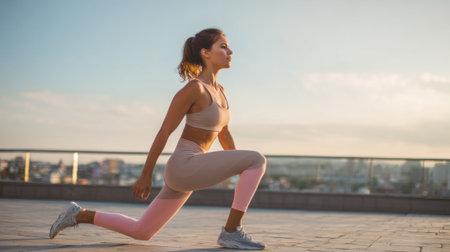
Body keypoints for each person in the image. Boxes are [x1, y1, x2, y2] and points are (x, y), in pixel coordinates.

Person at [49, 28, 267, 250]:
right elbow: (164, 131)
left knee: (142, 231)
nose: (230, 51)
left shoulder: (220, 90)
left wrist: (236, 165)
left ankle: (78, 215)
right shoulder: (194, 89)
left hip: (193, 167)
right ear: (205, 53)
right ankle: (231, 232)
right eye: (223, 46)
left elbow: (225, 133)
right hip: (184, 165)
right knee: (257, 159)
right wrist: (146, 175)